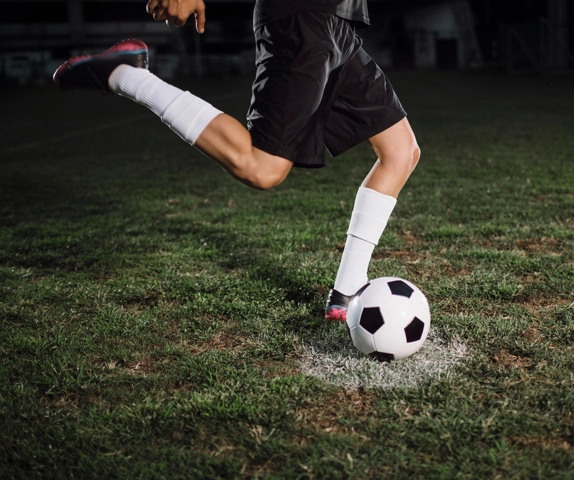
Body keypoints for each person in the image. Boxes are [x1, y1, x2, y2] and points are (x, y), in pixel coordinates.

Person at [53, 0, 420, 321]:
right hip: (301, 16)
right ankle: (126, 75)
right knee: (261, 167)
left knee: (401, 152)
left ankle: (346, 293)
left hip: (338, 20)